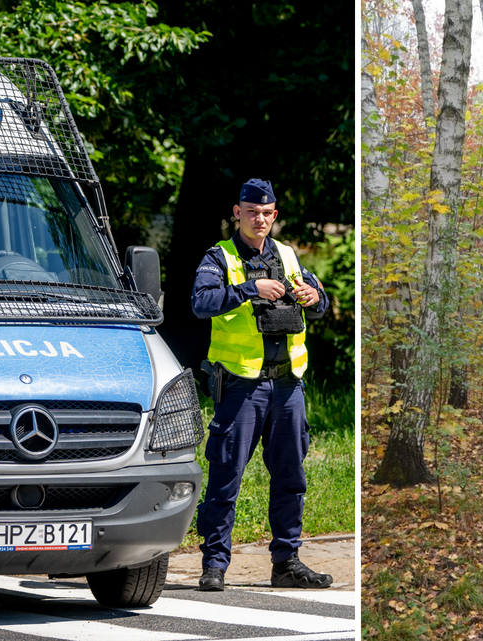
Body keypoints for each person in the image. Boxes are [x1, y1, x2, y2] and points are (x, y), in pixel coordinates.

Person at [190, 178, 334, 591]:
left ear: (275, 214)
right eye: (252, 211)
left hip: (289, 387)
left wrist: (312, 297)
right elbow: (200, 303)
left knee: (291, 478)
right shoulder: (220, 257)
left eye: (267, 212)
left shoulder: (289, 256)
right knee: (226, 477)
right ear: (238, 212)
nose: (260, 219)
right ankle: (214, 565)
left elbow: (322, 304)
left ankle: (286, 563)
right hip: (242, 388)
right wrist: (250, 289)